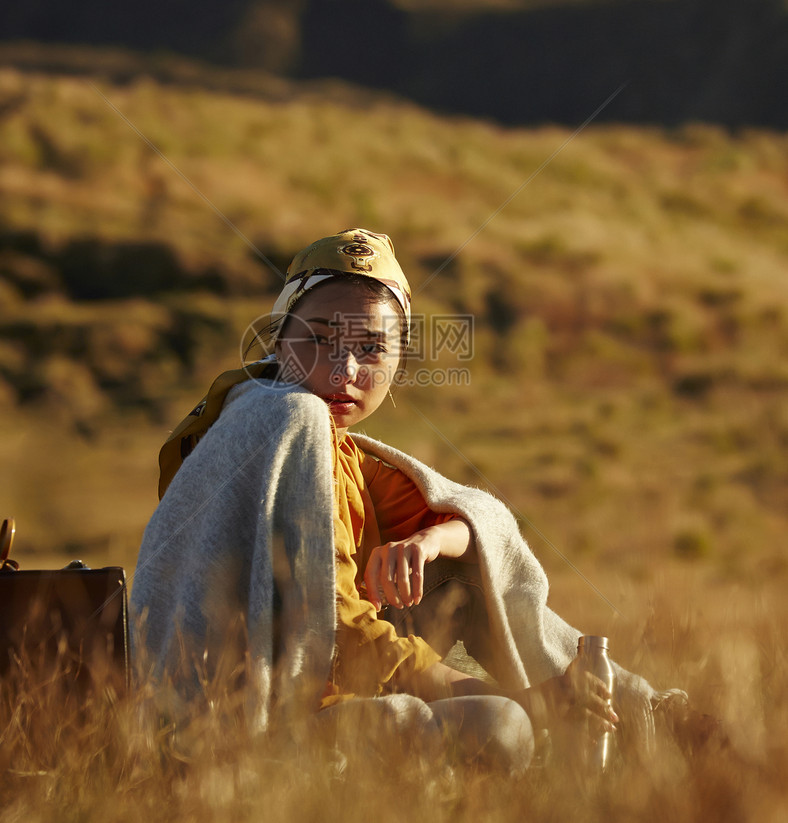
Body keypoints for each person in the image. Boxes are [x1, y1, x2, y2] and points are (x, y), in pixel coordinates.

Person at [131, 228, 662, 774]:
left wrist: (430, 540)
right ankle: (621, 714)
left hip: (329, 712)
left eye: (370, 349)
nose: (344, 372)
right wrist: (522, 702)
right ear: (278, 342)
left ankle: (644, 711)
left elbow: (475, 526)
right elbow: (339, 626)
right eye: (317, 339)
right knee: (501, 727)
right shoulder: (285, 419)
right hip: (242, 735)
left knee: (459, 572)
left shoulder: (339, 452)